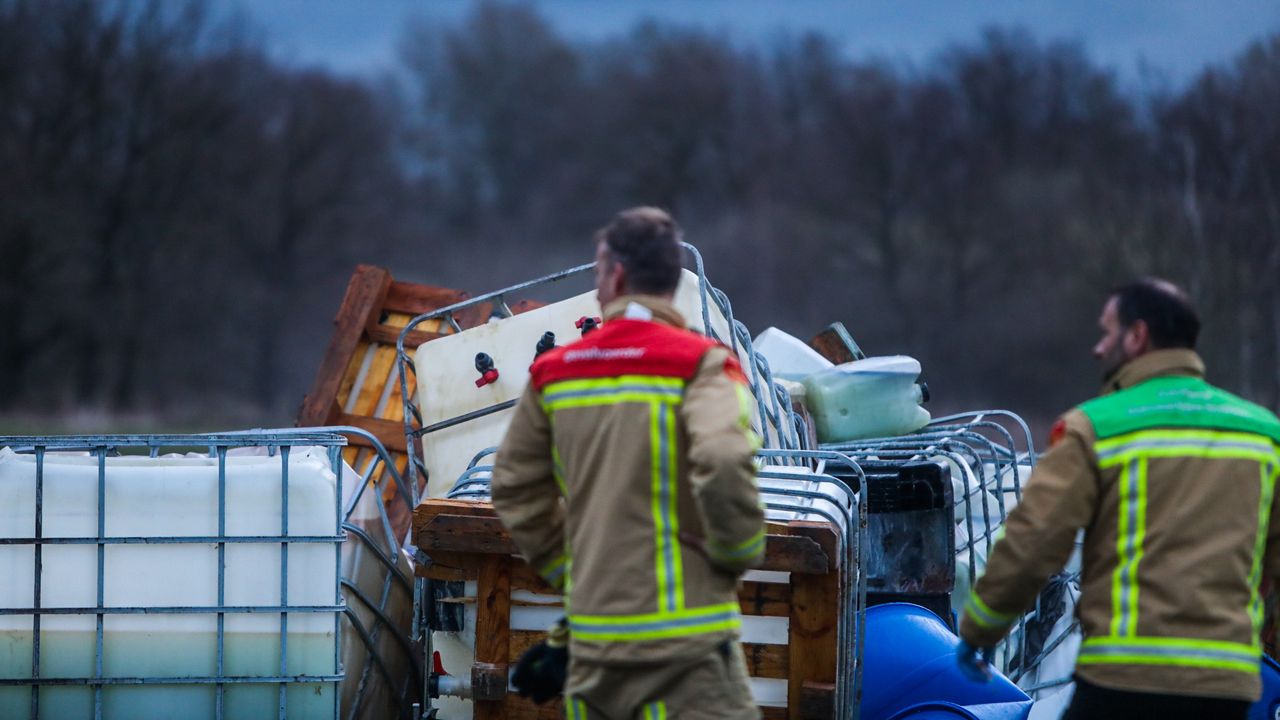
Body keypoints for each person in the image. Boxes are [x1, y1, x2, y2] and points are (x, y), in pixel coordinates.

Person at [957, 278, 1280, 719]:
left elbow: (1034, 541)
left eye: (1107, 331)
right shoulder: (1263, 434)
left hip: (1126, 678)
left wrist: (982, 627)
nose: (1098, 347)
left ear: (1138, 336)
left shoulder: (1096, 428)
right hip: (1227, 682)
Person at [491, 206, 765, 720]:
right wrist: (735, 553)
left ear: (615, 274)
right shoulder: (704, 365)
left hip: (596, 648)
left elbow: (512, 488)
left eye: (598, 275)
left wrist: (572, 571)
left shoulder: (555, 374)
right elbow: (726, 458)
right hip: (688, 648)